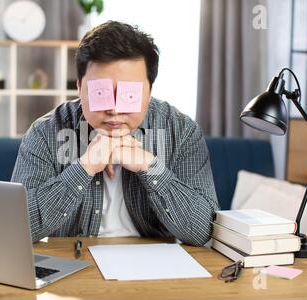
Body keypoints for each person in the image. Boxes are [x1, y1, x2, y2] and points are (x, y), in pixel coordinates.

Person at [11, 21, 219, 245]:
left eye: (129, 95)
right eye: (101, 92)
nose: (114, 109)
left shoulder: (181, 130)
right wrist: (84, 167)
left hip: (155, 268)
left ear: (149, 92)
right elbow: (16, 227)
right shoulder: (45, 132)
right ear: (80, 87)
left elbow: (204, 232)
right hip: (74, 263)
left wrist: (149, 166)